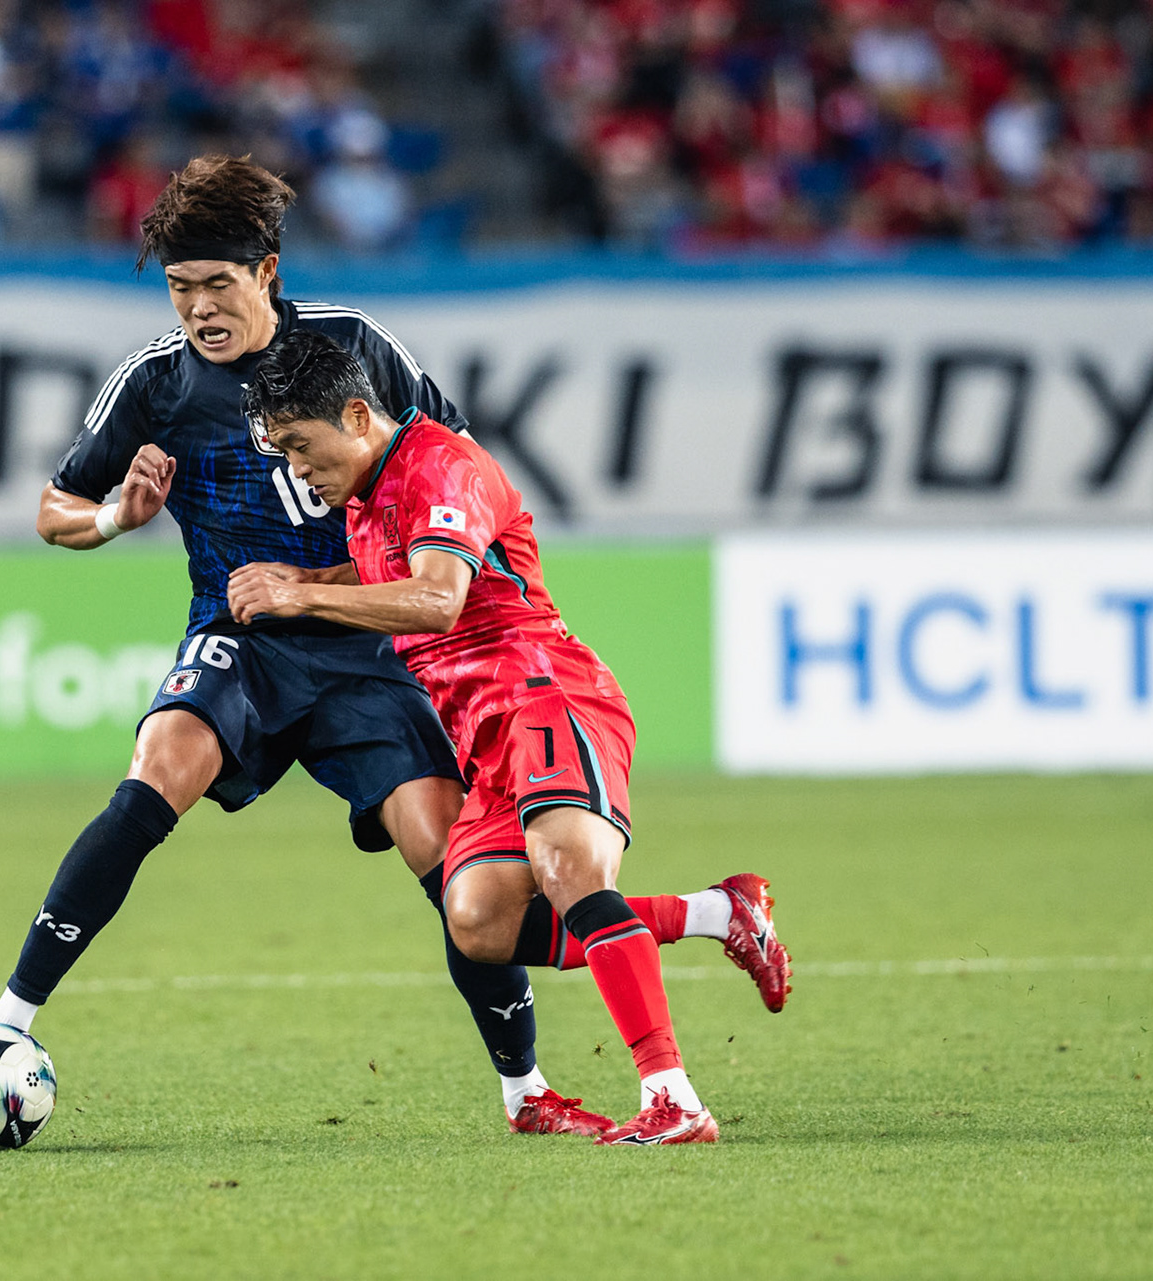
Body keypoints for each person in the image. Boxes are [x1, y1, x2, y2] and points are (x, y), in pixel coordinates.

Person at [0, 154, 610, 1136]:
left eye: (217, 285)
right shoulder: (155, 385)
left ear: (266, 273)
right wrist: (117, 517)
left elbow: (457, 472)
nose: (199, 308)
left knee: (445, 859)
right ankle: (0, 1026)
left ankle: (526, 1093)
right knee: (161, 763)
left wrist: (342, 585)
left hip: (369, 646)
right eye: (181, 288)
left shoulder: (356, 348)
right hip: (240, 640)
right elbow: (53, 509)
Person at [227, 329, 793, 1144]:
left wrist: (301, 600)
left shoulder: (441, 465)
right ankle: (718, 911)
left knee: (569, 873)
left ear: (356, 414)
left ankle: (674, 1096)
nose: (296, 467)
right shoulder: (369, 492)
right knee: (480, 920)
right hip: (482, 739)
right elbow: (398, 566)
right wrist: (309, 577)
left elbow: (436, 599)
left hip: (545, 695)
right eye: (282, 450)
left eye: (300, 445)